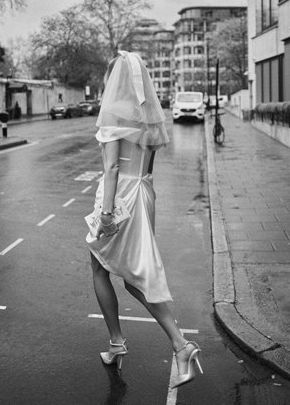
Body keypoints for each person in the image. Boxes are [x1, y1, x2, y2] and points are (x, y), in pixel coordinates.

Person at [86, 51, 203, 389]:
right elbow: (147, 166)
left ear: (115, 80)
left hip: (119, 196)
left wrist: (106, 214)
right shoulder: (150, 113)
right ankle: (118, 343)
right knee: (131, 271)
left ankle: (178, 344)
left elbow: (111, 169)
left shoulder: (112, 114)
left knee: (114, 272)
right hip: (144, 193)